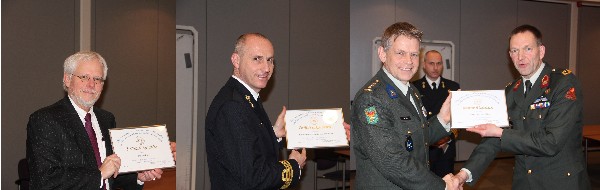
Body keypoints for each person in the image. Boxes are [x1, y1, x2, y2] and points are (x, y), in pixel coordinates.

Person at [453, 24, 591, 189]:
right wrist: (464, 174)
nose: (520, 57)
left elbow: (551, 142)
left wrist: (501, 133)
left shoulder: (563, 83)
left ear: (541, 51)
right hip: (524, 182)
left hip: (559, 182)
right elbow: (492, 141)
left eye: (527, 49)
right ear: (510, 56)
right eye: (514, 51)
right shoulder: (512, 90)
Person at [26, 51, 167, 189]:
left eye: (97, 79)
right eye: (84, 77)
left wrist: (137, 177)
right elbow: (45, 179)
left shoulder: (106, 119)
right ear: (67, 79)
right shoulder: (44, 119)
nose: (91, 85)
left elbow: (110, 175)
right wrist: (99, 174)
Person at [351, 22, 457, 189]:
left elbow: (417, 138)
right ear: (382, 54)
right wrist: (441, 186)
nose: (408, 61)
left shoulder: (410, 89)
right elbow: (392, 161)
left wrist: (442, 119)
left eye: (414, 54)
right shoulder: (371, 99)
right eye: (400, 53)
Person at [205, 33, 307, 189]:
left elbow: (246, 149)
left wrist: (273, 134)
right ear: (236, 60)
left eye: (270, 60)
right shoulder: (232, 105)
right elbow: (253, 177)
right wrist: (293, 166)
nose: (266, 68)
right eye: (257, 59)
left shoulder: (245, 97)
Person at [412, 50, 460, 177]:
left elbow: (458, 117)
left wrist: (448, 138)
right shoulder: (413, 88)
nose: (435, 67)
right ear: (424, 65)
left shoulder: (453, 87)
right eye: (431, 63)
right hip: (424, 148)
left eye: (438, 63)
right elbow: (412, 120)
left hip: (446, 148)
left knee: (447, 183)